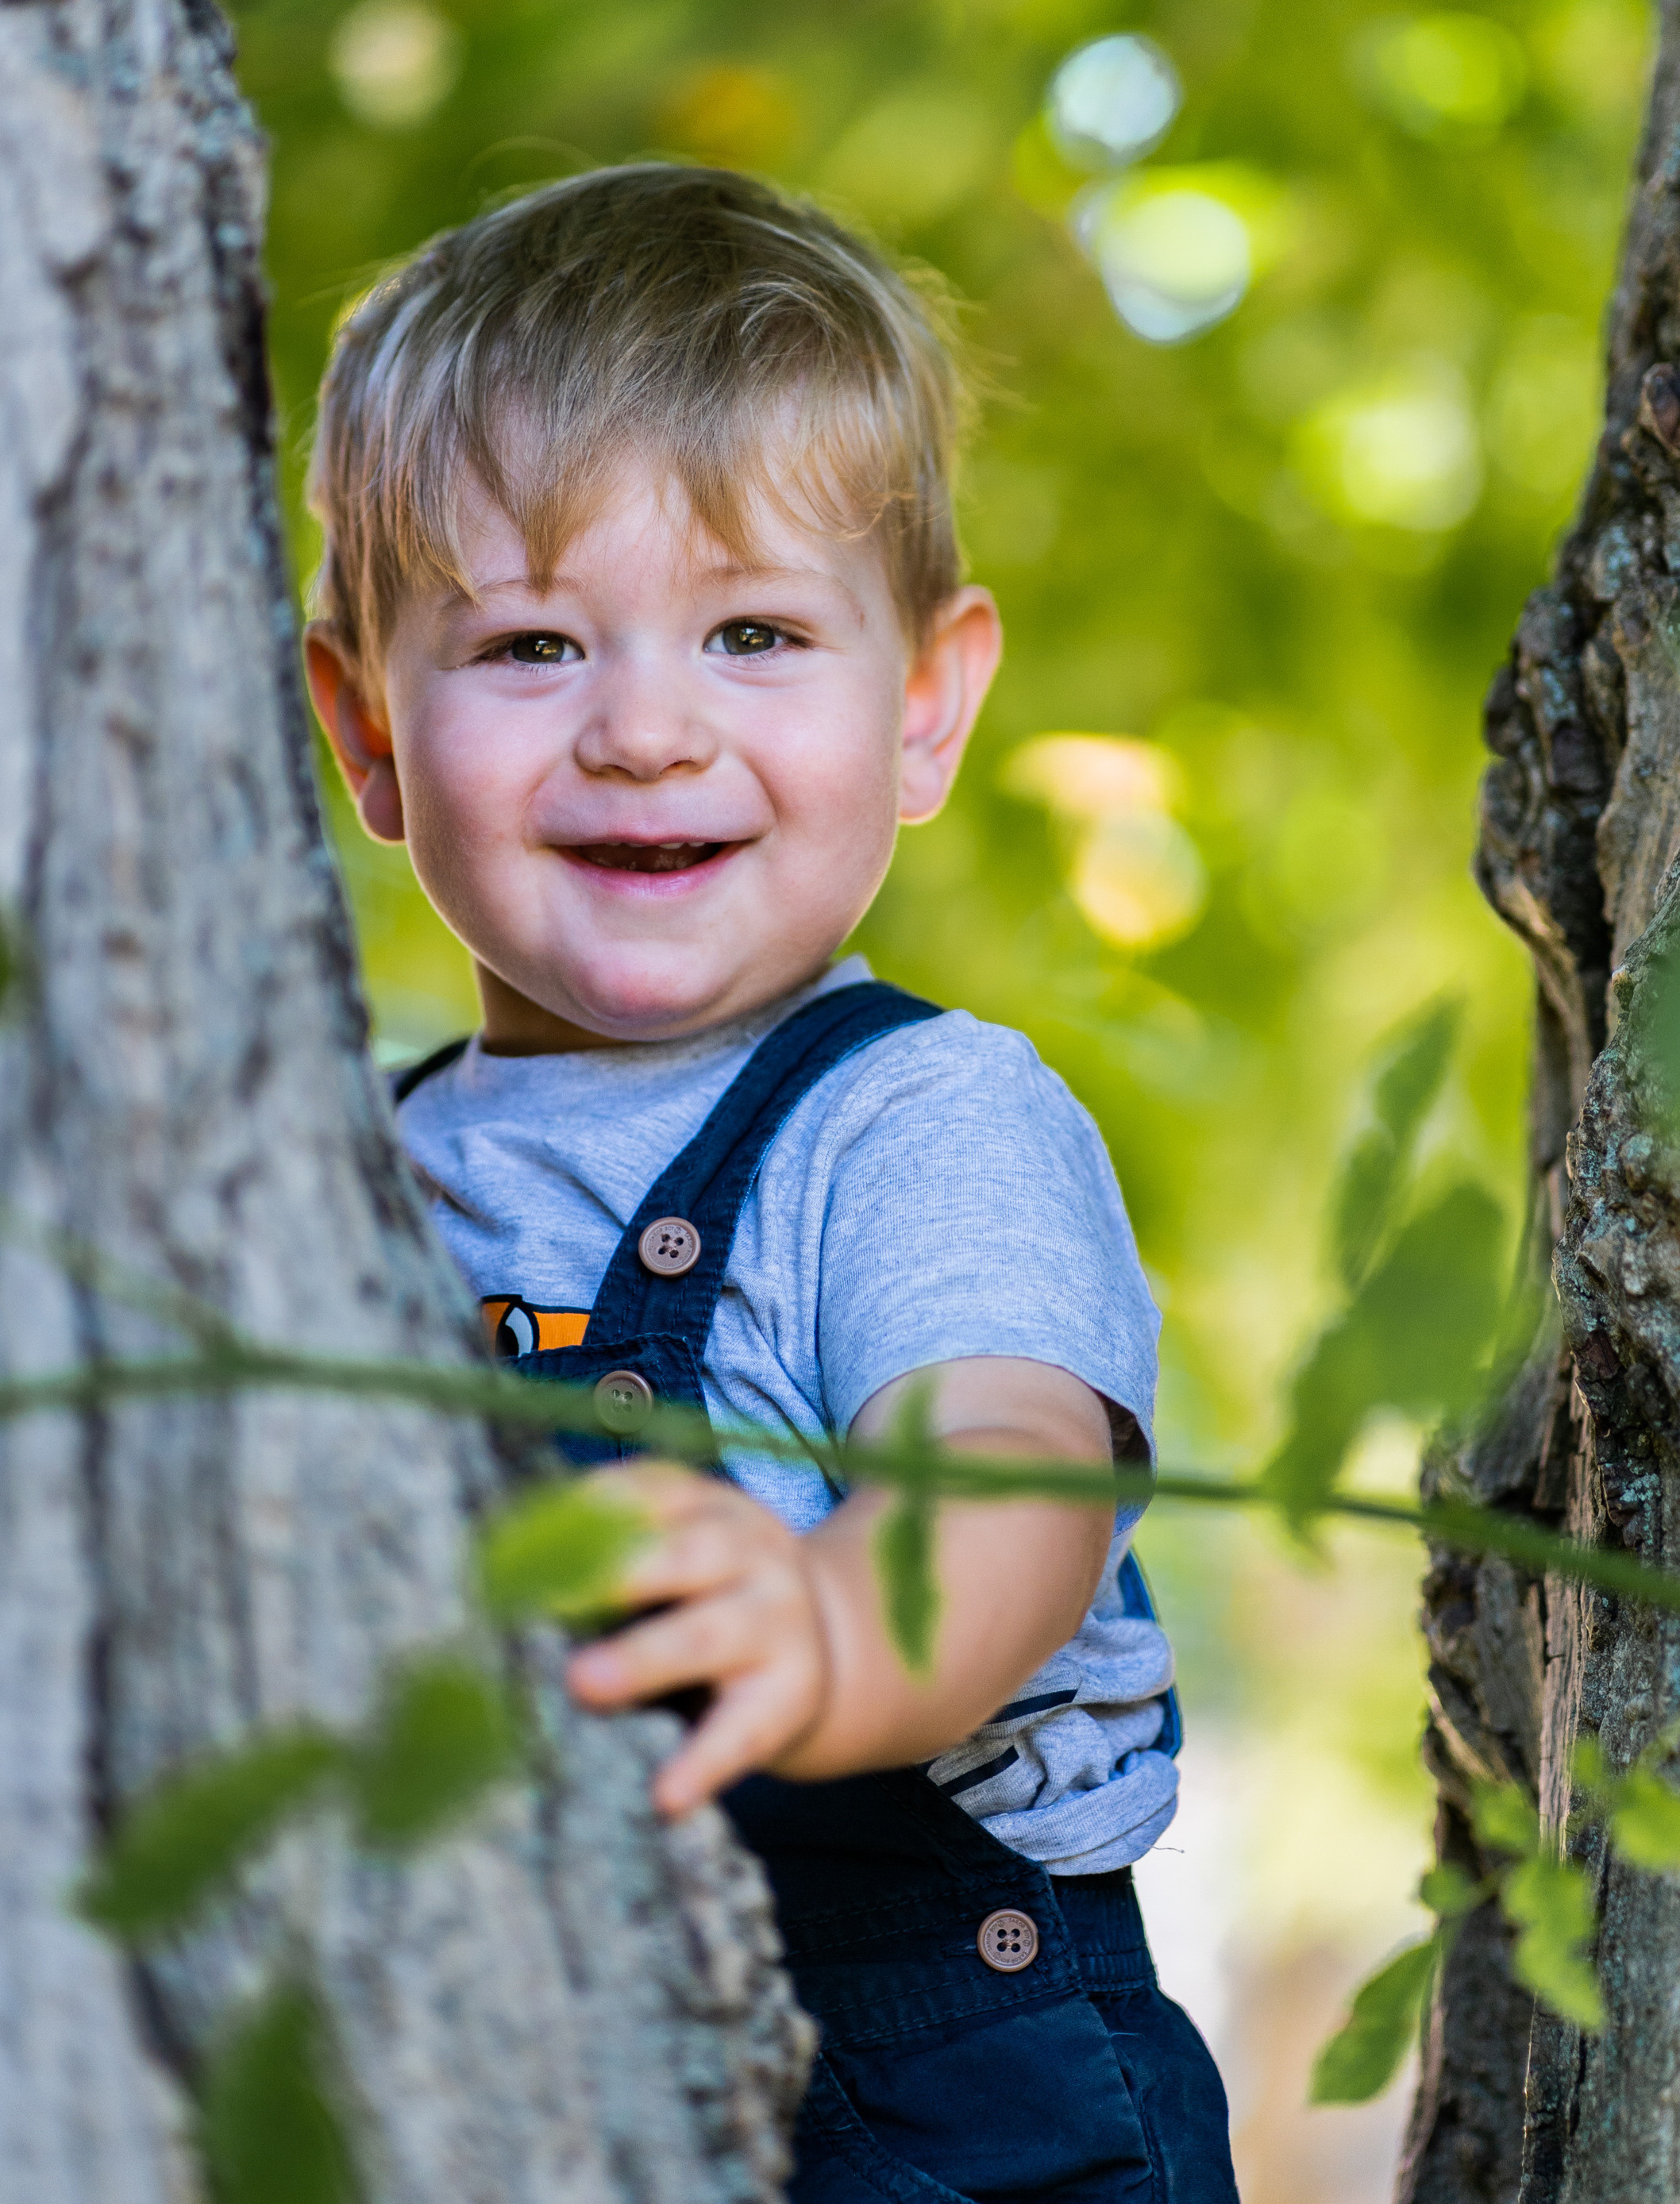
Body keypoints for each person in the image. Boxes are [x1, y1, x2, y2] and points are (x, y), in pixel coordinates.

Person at [303, 163, 1239, 2204]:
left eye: (750, 631)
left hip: (940, 2110)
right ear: (365, 727)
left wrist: (835, 1624)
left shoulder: (913, 1124)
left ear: (922, 702)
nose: (646, 730)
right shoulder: (323, 1171)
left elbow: (1010, 1472)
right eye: (532, 644)